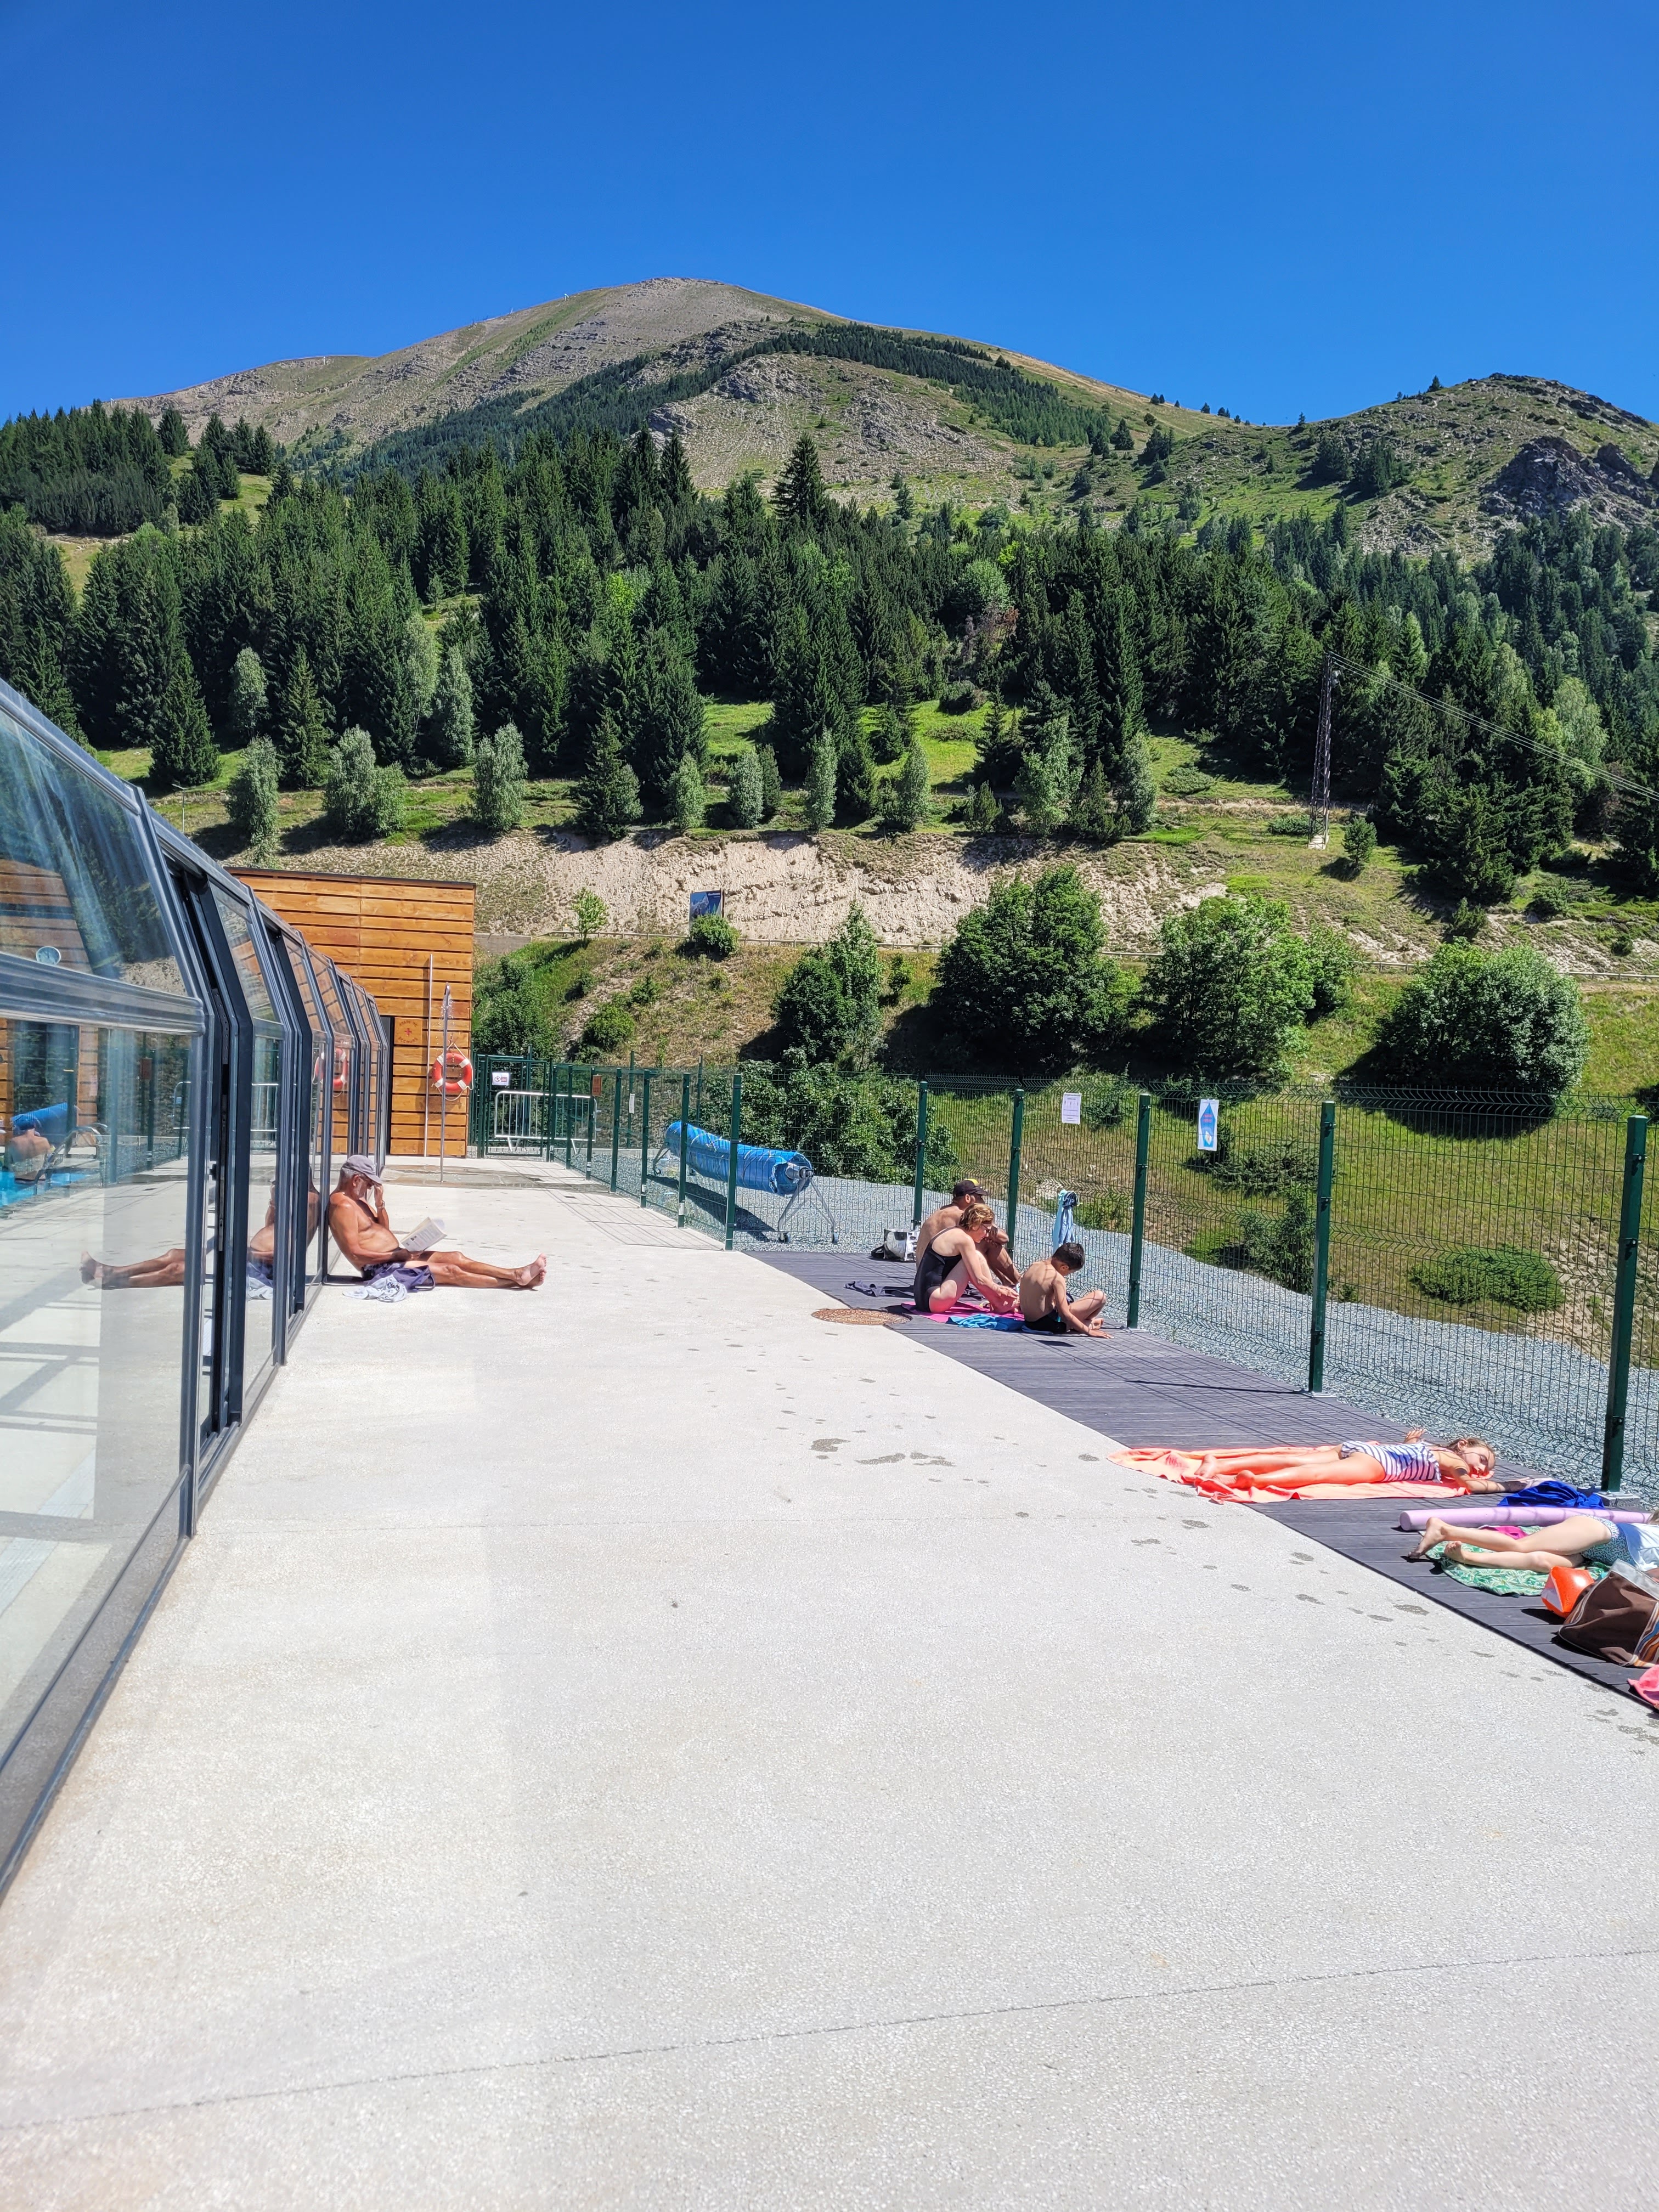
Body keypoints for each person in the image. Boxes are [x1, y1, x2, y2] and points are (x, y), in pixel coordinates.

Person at [328, 1154, 545, 1290]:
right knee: (452, 1271)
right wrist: (395, 1256)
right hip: (382, 1268)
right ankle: (516, 1280)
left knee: (456, 1257)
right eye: (368, 1184)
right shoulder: (343, 1206)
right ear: (356, 1180)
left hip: (397, 1256)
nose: (369, 1188)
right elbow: (355, 1253)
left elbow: (383, 1230)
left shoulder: (358, 1202)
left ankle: (516, 1274)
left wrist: (380, 1204)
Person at [1189, 1433, 1500, 1494]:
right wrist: (1503, 1485)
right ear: (1463, 1446)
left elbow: (1412, 1454)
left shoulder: (1430, 1448)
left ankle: (1219, 1464)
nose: (1481, 1469)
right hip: (1381, 1464)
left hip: (1363, 1447)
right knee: (1313, 1474)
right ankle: (1253, 1481)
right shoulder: (1454, 1461)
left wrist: (1408, 1443)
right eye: (1482, 1459)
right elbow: (1469, 1485)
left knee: (1291, 1458)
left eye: (1486, 1468)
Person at [1408, 1509, 1659, 1573]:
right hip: (1604, 1532)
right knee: (1523, 1546)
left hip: (1598, 1554)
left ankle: (1467, 1557)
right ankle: (1445, 1529)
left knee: (1541, 1562)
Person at [913, 1179, 1018, 1301]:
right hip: (939, 1285)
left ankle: (1008, 1283)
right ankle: (1019, 1283)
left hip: (925, 1279)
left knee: (982, 1240)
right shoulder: (960, 1216)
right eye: (979, 1198)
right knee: (989, 1245)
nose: (983, 1202)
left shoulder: (941, 1212)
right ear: (968, 1198)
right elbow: (1004, 1238)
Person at [1019, 1240, 1108, 1337]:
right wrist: (1089, 1332)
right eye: (1069, 1273)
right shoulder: (1056, 1277)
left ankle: (1086, 1323)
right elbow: (1065, 1315)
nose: (1066, 1276)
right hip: (1050, 1325)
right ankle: (1088, 1324)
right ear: (1064, 1267)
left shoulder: (1035, 1265)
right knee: (1100, 1297)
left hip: (1029, 1322)